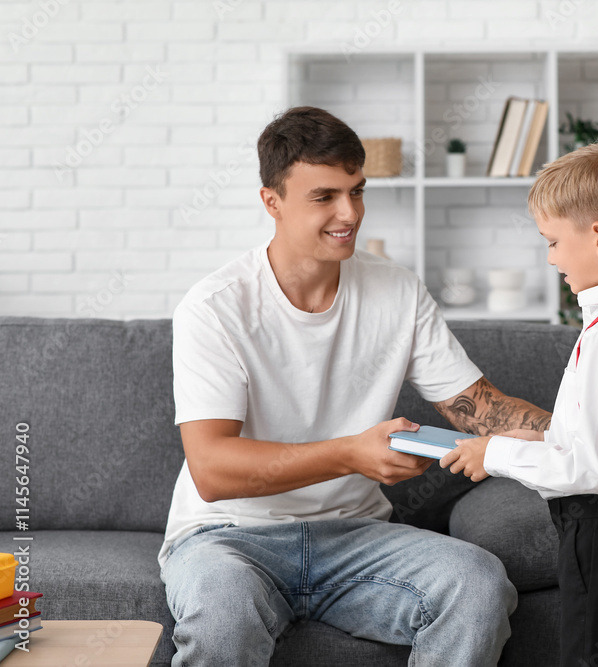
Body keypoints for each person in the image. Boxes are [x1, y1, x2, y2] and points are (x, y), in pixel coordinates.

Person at [159, 106, 552, 667]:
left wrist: (586, 438)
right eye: (324, 197)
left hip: (354, 536)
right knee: (222, 611)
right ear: (272, 201)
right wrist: (351, 455)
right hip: (226, 537)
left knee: (478, 583)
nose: (350, 214)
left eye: (358, 192)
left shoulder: (396, 291)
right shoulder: (216, 308)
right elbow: (213, 470)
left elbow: (481, 410)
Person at [441, 141, 598, 667]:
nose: (549, 257)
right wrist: (538, 440)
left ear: (597, 237)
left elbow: (596, 470)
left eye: (552, 241)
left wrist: (496, 456)